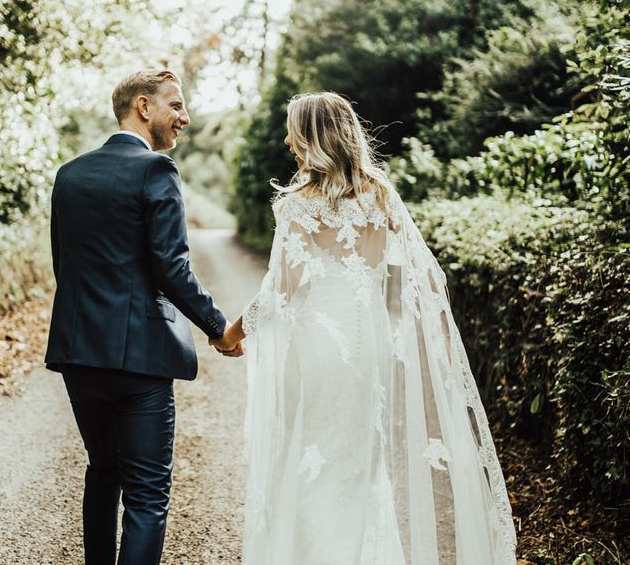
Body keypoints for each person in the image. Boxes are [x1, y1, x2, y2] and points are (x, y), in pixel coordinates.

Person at [221, 92, 517, 564]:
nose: (287, 141)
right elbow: (416, 279)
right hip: (367, 344)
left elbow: (283, 290)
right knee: (359, 456)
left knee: (312, 457)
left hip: (318, 349)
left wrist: (234, 331)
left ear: (315, 138)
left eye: (295, 132)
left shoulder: (298, 205)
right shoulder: (381, 194)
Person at [45, 68, 244, 565]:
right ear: (142, 106)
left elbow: (63, 266)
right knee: (147, 494)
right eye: (175, 105)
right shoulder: (156, 170)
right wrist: (219, 330)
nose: (185, 116)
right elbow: (172, 268)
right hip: (137, 361)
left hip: (78, 353)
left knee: (102, 470)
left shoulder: (69, 174)